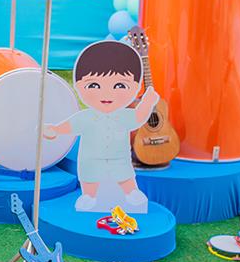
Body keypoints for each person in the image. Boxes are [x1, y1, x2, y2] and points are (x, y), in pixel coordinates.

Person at [44, 40, 158, 212]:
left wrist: (147, 104)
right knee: (89, 174)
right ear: (78, 86)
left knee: (125, 174)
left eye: (119, 85)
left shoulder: (125, 115)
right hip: (91, 158)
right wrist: (55, 130)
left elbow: (139, 117)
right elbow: (71, 125)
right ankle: (89, 195)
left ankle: (131, 191)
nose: (106, 93)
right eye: (94, 85)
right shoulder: (86, 117)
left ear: (135, 87)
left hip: (119, 157)